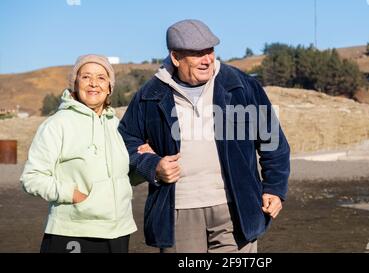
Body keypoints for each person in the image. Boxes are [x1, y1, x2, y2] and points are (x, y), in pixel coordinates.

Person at [119, 19, 290, 253]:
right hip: (178, 211)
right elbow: (124, 142)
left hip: (236, 209)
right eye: (197, 53)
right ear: (176, 57)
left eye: (210, 50)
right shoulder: (150, 95)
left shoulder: (241, 86)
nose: (207, 59)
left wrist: (274, 188)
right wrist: (152, 165)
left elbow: (273, 142)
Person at [21, 54, 147, 253]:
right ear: (75, 83)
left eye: (101, 78)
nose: (93, 84)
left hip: (119, 231)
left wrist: (144, 162)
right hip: (74, 232)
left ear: (110, 87)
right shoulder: (57, 124)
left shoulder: (117, 126)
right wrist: (71, 194)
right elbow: (31, 177)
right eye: (86, 77)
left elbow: (125, 176)